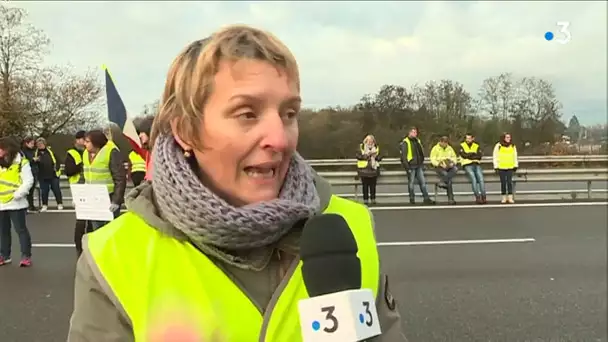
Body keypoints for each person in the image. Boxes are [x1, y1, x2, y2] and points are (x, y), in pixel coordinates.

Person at [67, 25, 406, 342]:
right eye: (247, 114)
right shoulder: (114, 257)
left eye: (289, 114)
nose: (280, 139)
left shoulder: (350, 226)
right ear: (186, 130)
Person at [82, 130, 127, 231]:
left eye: (87, 141)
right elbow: (84, 176)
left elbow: (120, 178)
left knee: (110, 231)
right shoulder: (85, 154)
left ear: (96, 142)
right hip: (93, 197)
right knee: (96, 230)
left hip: (109, 197)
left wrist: (116, 201)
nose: (85, 144)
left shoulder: (111, 152)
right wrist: (80, 197)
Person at [0, 137, 34, 267]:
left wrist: (18, 194)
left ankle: (26, 256)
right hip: (1, 202)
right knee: (3, 231)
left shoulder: (21, 162)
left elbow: (28, 181)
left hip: (16, 203)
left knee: (21, 230)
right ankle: (4, 255)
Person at [64, 130, 88, 256]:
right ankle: (78, 246)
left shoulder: (88, 152)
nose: (85, 142)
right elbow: (68, 171)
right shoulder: (72, 153)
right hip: (78, 187)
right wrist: (81, 166)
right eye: (83, 139)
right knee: (81, 219)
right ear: (77, 140)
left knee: (89, 218)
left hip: (88, 186)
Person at [400, 127, 434, 205]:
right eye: (414, 132)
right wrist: (407, 167)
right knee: (411, 183)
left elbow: (420, 152)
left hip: (418, 165)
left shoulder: (417, 141)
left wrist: (422, 161)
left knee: (422, 182)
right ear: (410, 133)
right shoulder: (405, 142)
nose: (416, 134)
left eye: (416, 132)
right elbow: (404, 156)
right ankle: (412, 198)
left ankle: (426, 198)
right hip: (411, 165)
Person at [34, 137, 64, 211]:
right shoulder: (35, 153)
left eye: (41, 144)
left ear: (44, 144)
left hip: (53, 174)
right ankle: (45, 205)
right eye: (38, 144)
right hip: (42, 176)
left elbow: (58, 161)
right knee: (44, 191)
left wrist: (57, 168)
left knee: (56, 190)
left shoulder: (51, 151)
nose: (40, 145)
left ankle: (59, 203)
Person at [459, 133, 486, 204]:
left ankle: (484, 197)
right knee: (473, 179)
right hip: (467, 165)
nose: (468, 140)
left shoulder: (476, 146)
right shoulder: (462, 145)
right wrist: (473, 154)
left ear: (472, 139)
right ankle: (478, 197)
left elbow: (479, 156)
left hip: (476, 164)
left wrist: (469, 155)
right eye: (467, 138)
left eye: (469, 138)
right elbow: (463, 155)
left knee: (481, 179)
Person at [430, 136, 458, 205]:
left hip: (448, 165)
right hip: (439, 166)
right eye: (444, 143)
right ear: (440, 142)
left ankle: (442, 182)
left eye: (446, 143)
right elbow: (433, 159)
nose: (445, 144)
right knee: (448, 178)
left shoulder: (450, 148)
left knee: (455, 169)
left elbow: (454, 157)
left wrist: (452, 163)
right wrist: (439, 164)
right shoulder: (435, 148)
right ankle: (451, 198)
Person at [493, 132, 518, 204]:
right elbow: (495, 156)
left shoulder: (512, 146)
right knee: (503, 183)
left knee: (509, 182)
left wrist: (515, 164)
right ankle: (504, 197)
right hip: (501, 167)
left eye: (509, 137)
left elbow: (515, 155)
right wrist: (496, 166)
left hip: (510, 166)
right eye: (507, 137)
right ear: (503, 138)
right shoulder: (498, 145)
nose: (508, 139)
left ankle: (510, 197)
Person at [356, 134, 382, 205]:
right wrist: (366, 156)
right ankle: (365, 199)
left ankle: (373, 199)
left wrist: (375, 157)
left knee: (373, 185)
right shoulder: (361, 147)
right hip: (364, 169)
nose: (370, 142)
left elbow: (380, 157)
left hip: (373, 168)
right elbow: (358, 156)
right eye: (368, 140)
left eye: (371, 140)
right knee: (365, 185)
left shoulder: (376, 147)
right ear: (366, 141)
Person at [20, 137, 38, 212]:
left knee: (32, 190)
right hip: (28, 172)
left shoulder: (33, 151)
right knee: (28, 190)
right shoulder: (24, 152)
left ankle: (31, 205)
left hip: (34, 171)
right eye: (31, 143)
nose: (33, 145)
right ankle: (28, 205)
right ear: (27, 143)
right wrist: (32, 160)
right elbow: (24, 161)